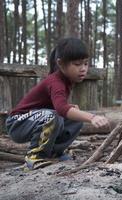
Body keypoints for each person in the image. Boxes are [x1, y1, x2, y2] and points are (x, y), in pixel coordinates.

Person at [5, 37, 110, 170]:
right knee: (53, 115)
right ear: (60, 64)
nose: (83, 69)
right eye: (77, 64)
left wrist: (73, 111)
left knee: (76, 119)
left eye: (85, 63)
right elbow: (60, 109)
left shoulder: (66, 81)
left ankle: (54, 152)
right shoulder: (55, 82)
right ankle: (34, 157)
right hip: (17, 123)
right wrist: (92, 117)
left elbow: (58, 107)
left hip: (35, 118)